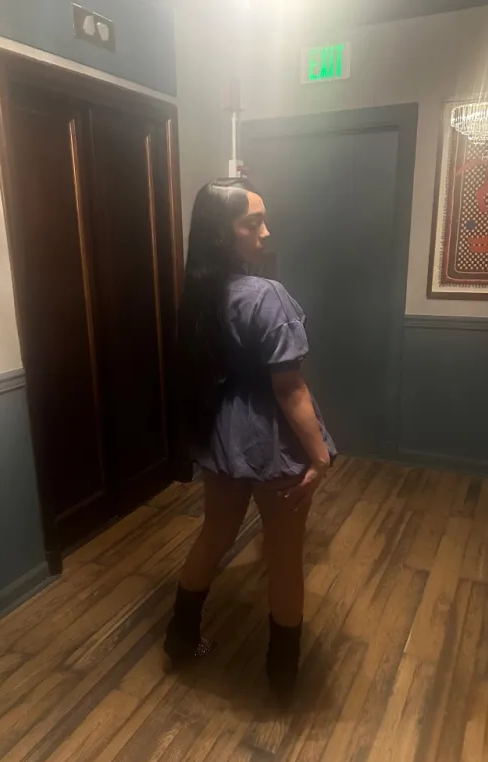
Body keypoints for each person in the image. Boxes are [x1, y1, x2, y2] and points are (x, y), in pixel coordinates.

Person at [164, 178, 336, 699]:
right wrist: (320, 457)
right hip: (273, 438)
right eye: (253, 222)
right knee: (284, 556)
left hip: (223, 433)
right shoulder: (268, 296)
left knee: (214, 535)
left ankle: (179, 639)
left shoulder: (200, 294)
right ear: (224, 233)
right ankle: (282, 678)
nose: (266, 231)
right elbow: (290, 388)